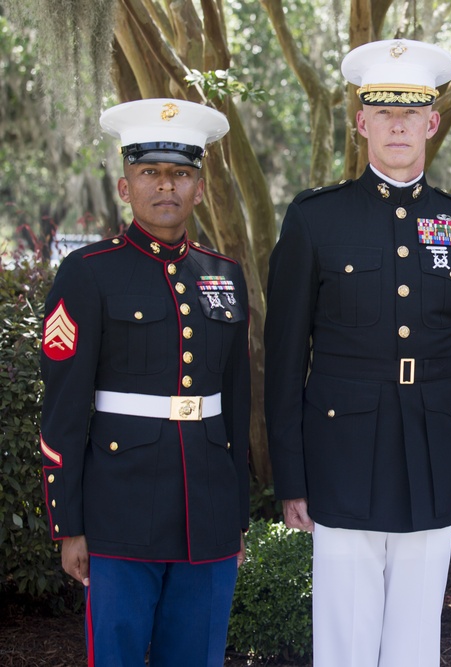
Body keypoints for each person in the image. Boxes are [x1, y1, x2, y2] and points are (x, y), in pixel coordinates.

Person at [264, 39, 451, 665]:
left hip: (434, 451)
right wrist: (291, 476)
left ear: (433, 122)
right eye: (383, 112)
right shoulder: (316, 219)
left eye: (411, 113)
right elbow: (285, 358)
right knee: (343, 633)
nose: (398, 125)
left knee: (417, 637)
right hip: (340, 451)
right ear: (362, 122)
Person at [39, 98, 250, 666]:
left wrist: (236, 516)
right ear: (124, 186)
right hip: (118, 511)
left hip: (206, 511)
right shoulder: (87, 274)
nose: (166, 186)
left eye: (181, 173)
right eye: (150, 172)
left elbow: (236, 403)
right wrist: (70, 524)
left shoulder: (224, 276)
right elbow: (62, 408)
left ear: (199, 188)